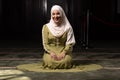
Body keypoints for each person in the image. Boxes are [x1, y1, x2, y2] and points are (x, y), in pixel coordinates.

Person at [42, 5, 76, 69]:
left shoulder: (68, 28)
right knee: (49, 61)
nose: (55, 16)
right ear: (51, 15)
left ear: (62, 14)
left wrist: (64, 53)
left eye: (58, 14)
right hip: (50, 52)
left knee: (66, 61)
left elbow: (69, 43)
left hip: (64, 51)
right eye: (53, 14)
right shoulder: (46, 27)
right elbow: (45, 43)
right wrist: (51, 52)